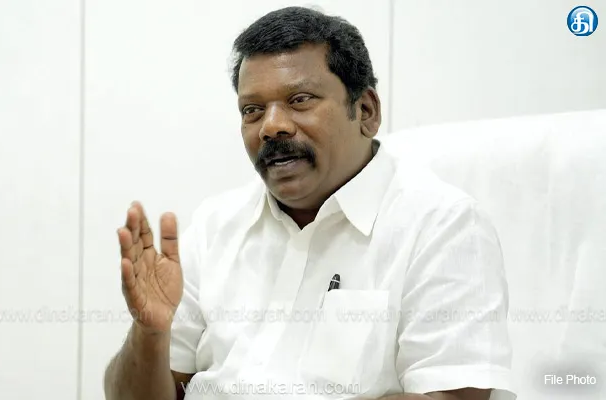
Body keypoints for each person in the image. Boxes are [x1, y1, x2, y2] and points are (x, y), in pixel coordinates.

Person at [103, 6, 514, 400]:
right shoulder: (215, 226)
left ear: (366, 111)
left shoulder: (442, 226)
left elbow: (449, 396)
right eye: (252, 110)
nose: (271, 127)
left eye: (299, 100)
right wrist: (150, 334)